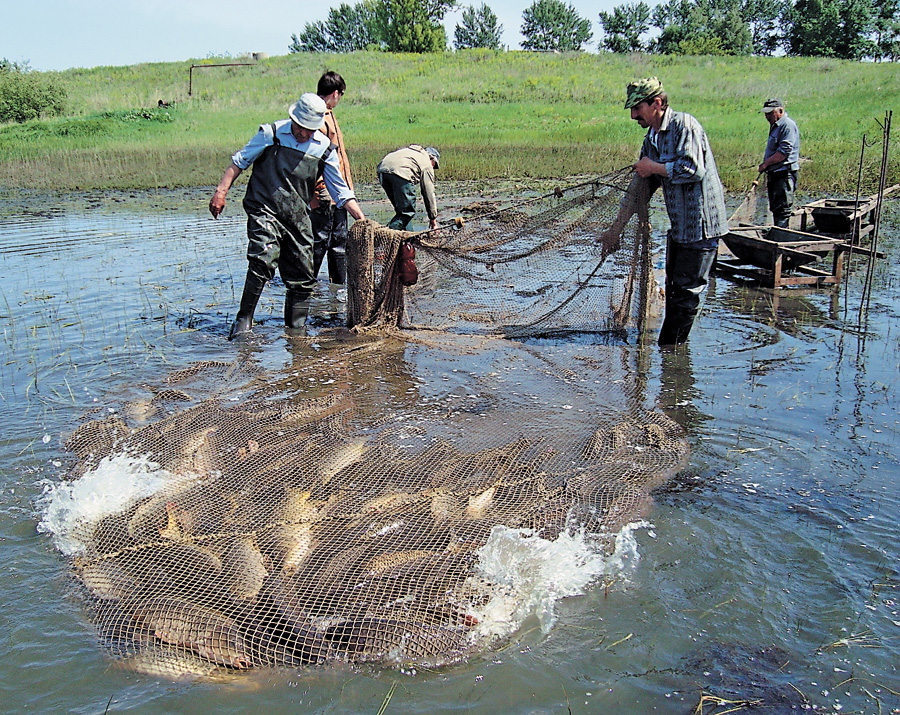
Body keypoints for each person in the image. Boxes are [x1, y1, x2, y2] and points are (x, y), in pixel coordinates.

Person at [209, 93, 364, 339]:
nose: (303, 134)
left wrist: (361, 219)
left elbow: (340, 189)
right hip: (265, 207)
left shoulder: (323, 147)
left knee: (303, 274)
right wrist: (221, 192)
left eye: (309, 130)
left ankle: (295, 332)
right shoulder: (271, 134)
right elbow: (239, 162)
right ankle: (243, 321)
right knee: (262, 258)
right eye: (300, 127)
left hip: (297, 214)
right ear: (293, 118)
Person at [607, 77, 729, 346]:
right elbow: (639, 187)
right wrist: (615, 229)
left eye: (637, 107)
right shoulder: (651, 138)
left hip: (701, 224)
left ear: (658, 103)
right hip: (680, 225)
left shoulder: (684, 125)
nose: (632, 115)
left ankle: (672, 356)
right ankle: (671, 351)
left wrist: (654, 167)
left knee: (686, 294)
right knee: (674, 289)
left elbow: (693, 169)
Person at [311, 71, 354, 285]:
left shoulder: (329, 113)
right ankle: (305, 287)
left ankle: (338, 288)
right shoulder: (317, 117)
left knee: (339, 240)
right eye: (341, 96)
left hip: (338, 190)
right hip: (325, 190)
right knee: (320, 240)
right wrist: (314, 192)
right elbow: (311, 157)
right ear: (335, 93)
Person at [757, 98, 800, 229]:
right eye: (766, 113)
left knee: (782, 210)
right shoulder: (775, 125)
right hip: (775, 174)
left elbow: (783, 153)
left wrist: (765, 164)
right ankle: (777, 236)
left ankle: (781, 241)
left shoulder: (787, 125)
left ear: (780, 111)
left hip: (784, 174)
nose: (767, 116)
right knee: (776, 209)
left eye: (770, 113)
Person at [377, 144, 441, 231]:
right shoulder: (426, 162)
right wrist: (433, 220)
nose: (433, 168)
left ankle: (408, 239)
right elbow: (428, 193)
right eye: (434, 165)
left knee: (402, 213)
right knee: (407, 212)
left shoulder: (411, 152)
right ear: (432, 158)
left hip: (382, 171)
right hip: (401, 172)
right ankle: (384, 236)